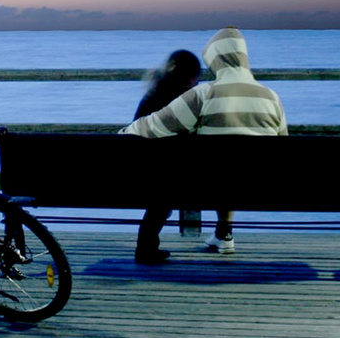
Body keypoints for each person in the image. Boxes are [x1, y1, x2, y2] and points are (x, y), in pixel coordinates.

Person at [121, 27, 287, 254]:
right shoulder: (272, 97)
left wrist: (122, 134)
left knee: (219, 168)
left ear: (215, 59)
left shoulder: (203, 94)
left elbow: (154, 126)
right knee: (230, 168)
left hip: (205, 185)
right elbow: (284, 147)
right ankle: (224, 233)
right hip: (263, 186)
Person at [130, 48, 201, 264]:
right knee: (166, 190)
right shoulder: (184, 102)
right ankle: (224, 233)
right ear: (190, 79)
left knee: (160, 195)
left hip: (143, 172)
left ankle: (146, 246)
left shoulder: (153, 95)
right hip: (171, 176)